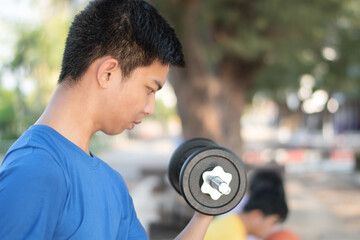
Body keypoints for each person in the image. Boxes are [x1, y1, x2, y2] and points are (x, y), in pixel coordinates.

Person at [0, 0, 213, 239]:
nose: (151, 107)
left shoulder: (112, 184)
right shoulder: (35, 170)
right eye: (150, 89)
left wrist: (205, 211)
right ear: (108, 73)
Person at [204, 185, 288, 240]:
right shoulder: (232, 236)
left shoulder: (230, 223)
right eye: (273, 223)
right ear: (256, 216)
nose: (273, 229)